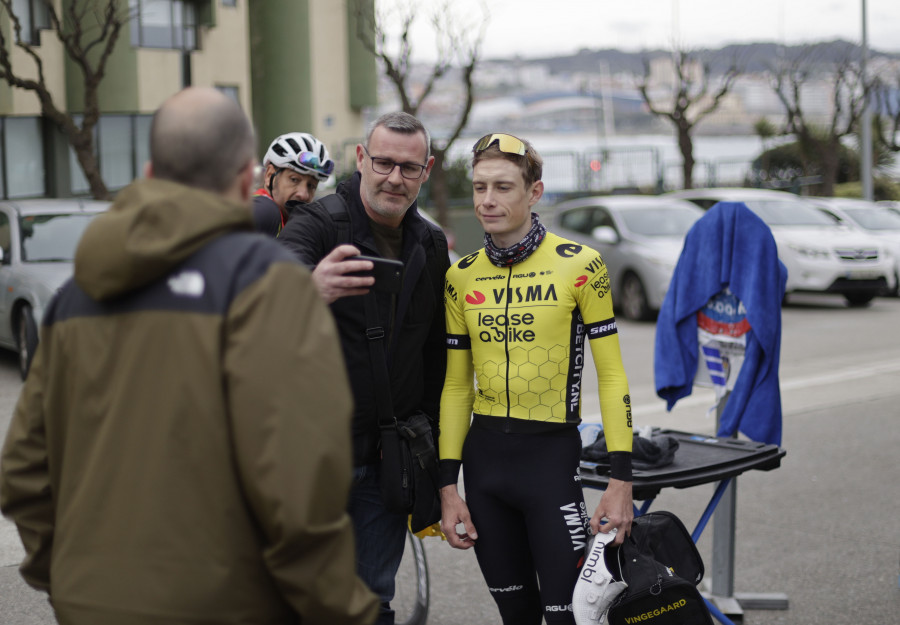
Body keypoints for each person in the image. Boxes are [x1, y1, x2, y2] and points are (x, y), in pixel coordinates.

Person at [0, 87, 378, 625]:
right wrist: (341, 609)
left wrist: (66, 575)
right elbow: (302, 483)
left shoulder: (73, 298)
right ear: (248, 173)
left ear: (152, 170)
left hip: (91, 601)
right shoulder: (269, 286)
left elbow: (24, 474)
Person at [438, 133, 635, 625]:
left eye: (503, 187)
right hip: (485, 468)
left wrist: (620, 479)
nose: (487, 200)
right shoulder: (460, 276)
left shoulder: (581, 265)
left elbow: (611, 376)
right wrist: (447, 486)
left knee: (570, 616)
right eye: (480, 186)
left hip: (550, 460)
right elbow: (457, 387)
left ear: (534, 192)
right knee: (516, 614)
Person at [278, 112, 450, 625]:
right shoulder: (320, 222)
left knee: (372, 599)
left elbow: (436, 357)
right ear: (360, 159)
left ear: (426, 170)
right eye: (383, 162)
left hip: (388, 458)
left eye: (409, 167)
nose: (394, 177)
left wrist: (440, 461)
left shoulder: (432, 243)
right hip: (311, 456)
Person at [253, 131, 334, 236]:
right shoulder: (266, 210)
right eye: (294, 180)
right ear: (269, 175)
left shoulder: (288, 222)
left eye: (311, 186)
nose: (304, 194)